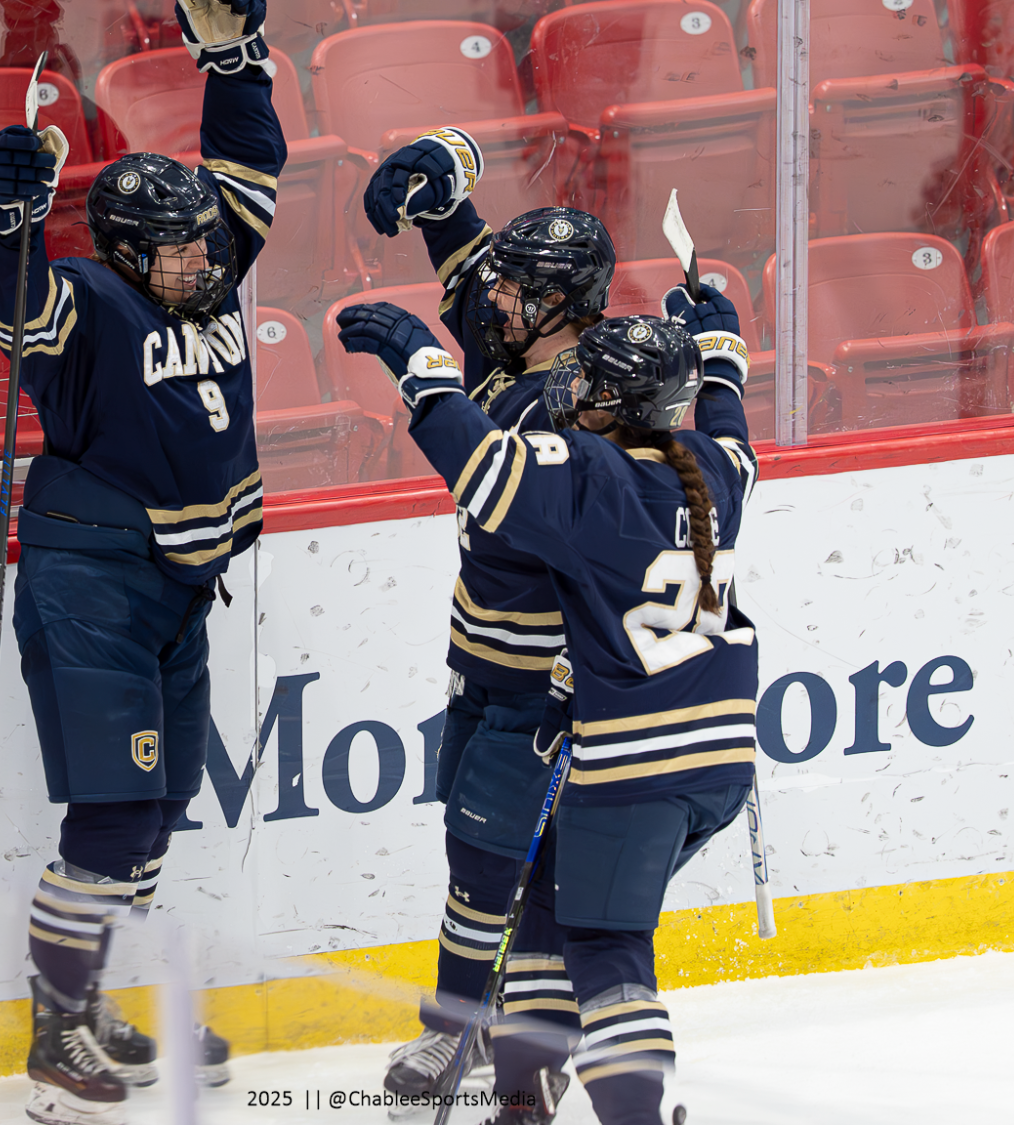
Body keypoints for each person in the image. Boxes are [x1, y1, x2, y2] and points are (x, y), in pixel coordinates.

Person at [337, 294, 758, 1125]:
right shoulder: (715, 467)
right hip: (721, 754)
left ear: (629, 409)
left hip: (633, 761)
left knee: (603, 948)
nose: (574, 394)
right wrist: (722, 349)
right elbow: (733, 425)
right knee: (547, 921)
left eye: (594, 388)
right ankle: (522, 1102)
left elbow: (481, 465)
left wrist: (424, 372)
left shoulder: (588, 473)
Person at [0, 3, 283, 1122]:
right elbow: (17, 303)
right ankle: (56, 1029)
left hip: (175, 589)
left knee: (154, 814)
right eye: (179, 246)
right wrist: (12, 216)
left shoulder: (198, 262)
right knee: (111, 820)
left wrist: (231, 61)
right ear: (119, 249)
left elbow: (248, 164)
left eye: (208, 241)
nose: (204, 259)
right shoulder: (93, 301)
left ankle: (94, 1000)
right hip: (92, 583)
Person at [358, 128, 625, 1099]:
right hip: (480, 664)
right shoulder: (528, 341)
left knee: (517, 870)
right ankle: (476, 1028)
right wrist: (441, 188)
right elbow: (477, 284)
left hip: (548, 685)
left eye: (515, 293)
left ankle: (519, 1048)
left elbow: (477, 457)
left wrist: (423, 380)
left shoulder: (576, 401)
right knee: (476, 864)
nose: (492, 302)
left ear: (561, 307)